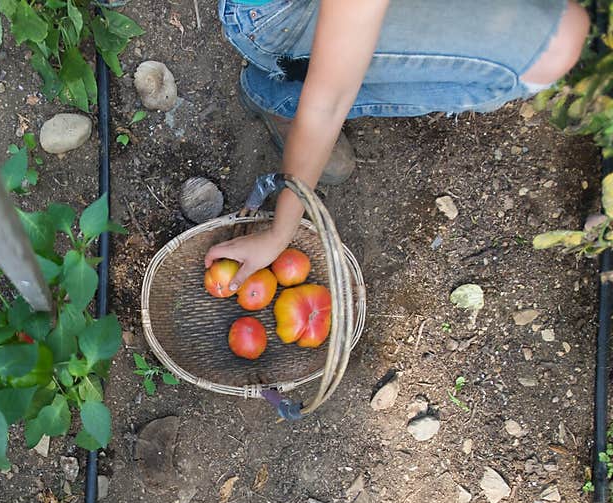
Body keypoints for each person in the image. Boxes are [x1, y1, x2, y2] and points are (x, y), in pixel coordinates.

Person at [204, 0, 590, 292]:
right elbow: (329, 100)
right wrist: (279, 233)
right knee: (539, 52)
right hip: (276, 17)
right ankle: (283, 96)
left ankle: (303, 79)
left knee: (549, 39)